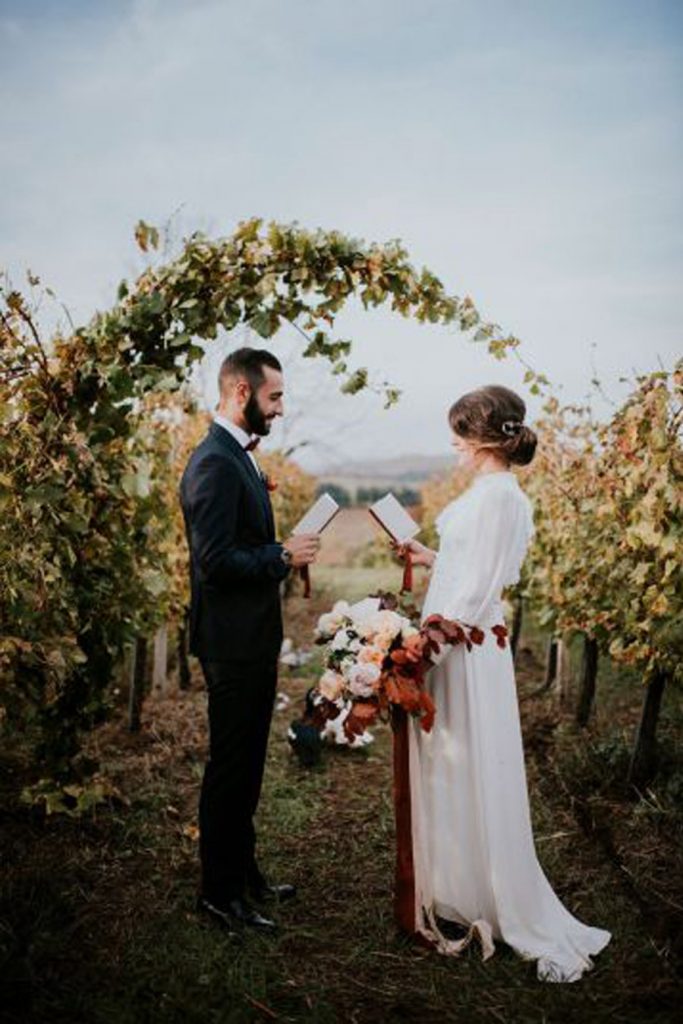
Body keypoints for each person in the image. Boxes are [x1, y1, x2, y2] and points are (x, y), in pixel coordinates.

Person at [395, 384, 611, 982]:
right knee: (456, 759)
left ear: (484, 438)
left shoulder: (496, 498)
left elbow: (478, 590)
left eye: (459, 435)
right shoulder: (492, 493)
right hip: (464, 645)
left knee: (470, 759)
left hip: (463, 650)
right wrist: (425, 554)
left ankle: (490, 894)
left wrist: (427, 646)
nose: (454, 446)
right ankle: (464, 886)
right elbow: (469, 569)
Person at [180, 347, 320, 933]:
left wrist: (278, 551)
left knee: (248, 765)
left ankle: (244, 874)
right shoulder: (214, 462)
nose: (281, 409)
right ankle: (219, 893)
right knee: (231, 769)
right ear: (241, 392)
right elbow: (214, 561)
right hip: (232, 644)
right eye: (275, 397)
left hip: (250, 640)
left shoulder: (235, 456)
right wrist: (281, 556)